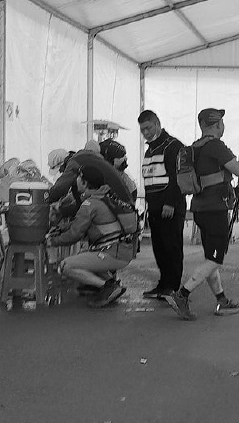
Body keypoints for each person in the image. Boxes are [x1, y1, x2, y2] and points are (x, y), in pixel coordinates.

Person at [165, 108, 239, 320]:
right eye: (222, 123)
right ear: (217, 124)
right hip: (215, 209)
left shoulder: (195, 147)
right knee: (215, 259)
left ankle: (221, 299)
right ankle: (182, 294)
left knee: (210, 257)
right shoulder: (216, 146)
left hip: (200, 209)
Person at [46, 166, 137, 309]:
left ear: (85, 182)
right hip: (123, 250)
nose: (76, 180)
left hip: (112, 253)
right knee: (83, 256)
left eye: (79, 177)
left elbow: (74, 235)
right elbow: (80, 223)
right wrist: (61, 228)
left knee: (65, 266)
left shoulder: (90, 204)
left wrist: (52, 241)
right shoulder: (105, 196)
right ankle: (109, 283)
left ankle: (108, 287)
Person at [138, 110, 186, 299]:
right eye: (142, 130)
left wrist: (170, 203)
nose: (146, 133)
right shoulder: (150, 150)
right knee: (159, 248)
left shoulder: (173, 146)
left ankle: (172, 287)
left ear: (157, 124)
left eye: (148, 128)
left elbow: (177, 177)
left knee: (172, 247)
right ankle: (163, 284)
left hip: (170, 208)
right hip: (155, 208)